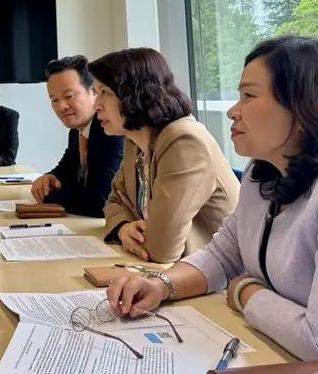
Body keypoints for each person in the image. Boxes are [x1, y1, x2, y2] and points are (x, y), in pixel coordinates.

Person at [106, 36, 318, 361]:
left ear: (302, 105)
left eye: (248, 96)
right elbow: (224, 254)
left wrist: (244, 291)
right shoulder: (261, 173)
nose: (232, 111)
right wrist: (161, 284)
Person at [91, 48, 239, 263]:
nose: (96, 105)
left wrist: (139, 232)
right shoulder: (135, 138)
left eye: (104, 92)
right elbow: (114, 200)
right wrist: (123, 228)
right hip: (172, 272)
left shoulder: (183, 141)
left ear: (134, 93)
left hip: (217, 281)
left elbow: (161, 249)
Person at [30, 56, 124, 217]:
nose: (61, 106)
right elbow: (66, 168)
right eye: (54, 100)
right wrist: (50, 178)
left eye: (69, 96)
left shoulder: (111, 132)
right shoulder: (78, 131)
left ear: (94, 92)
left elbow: (100, 200)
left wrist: (49, 195)